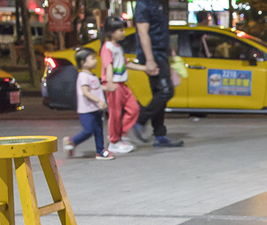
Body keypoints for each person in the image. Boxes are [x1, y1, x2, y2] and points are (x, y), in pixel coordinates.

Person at [132, 0, 183, 147]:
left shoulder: (162, 4)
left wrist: (170, 54)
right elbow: (143, 32)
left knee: (159, 93)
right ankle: (140, 120)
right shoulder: (144, 4)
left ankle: (160, 135)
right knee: (166, 91)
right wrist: (149, 59)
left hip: (161, 53)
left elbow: (162, 31)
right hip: (153, 55)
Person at [101, 17, 144, 155]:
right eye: (120, 30)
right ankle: (114, 141)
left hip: (122, 84)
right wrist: (110, 83)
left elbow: (126, 64)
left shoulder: (118, 47)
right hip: (114, 84)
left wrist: (145, 68)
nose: (123, 32)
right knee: (115, 114)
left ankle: (121, 134)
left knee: (134, 108)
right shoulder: (107, 47)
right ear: (111, 32)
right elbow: (108, 65)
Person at [63, 48, 114, 160]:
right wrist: (99, 101)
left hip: (95, 109)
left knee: (98, 130)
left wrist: (106, 88)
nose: (95, 60)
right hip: (86, 110)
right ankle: (72, 141)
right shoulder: (83, 76)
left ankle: (100, 151)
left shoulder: (92, 75)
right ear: (83, 62)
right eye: (92, 58)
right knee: (88, 131)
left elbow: (95, 88)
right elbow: (86, 92)